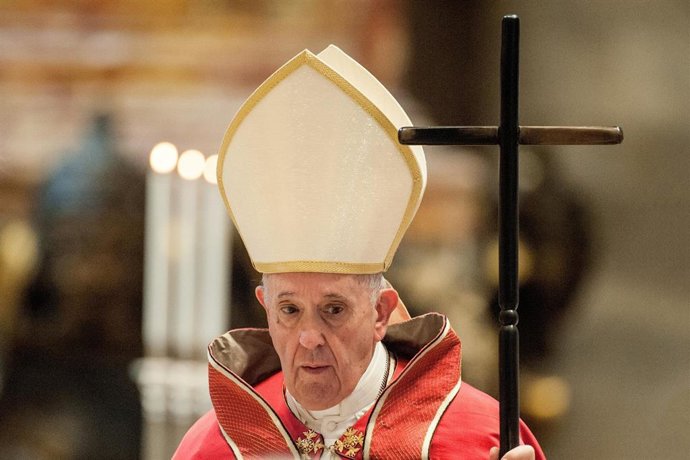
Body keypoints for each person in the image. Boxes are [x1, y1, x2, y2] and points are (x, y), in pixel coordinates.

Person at [174, 45, 545, 459]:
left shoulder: (477, 439)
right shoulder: (214, 446)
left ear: (382, 312)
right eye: (290, 310)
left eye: (334, 310)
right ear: (265, 307)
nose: (309, 337)